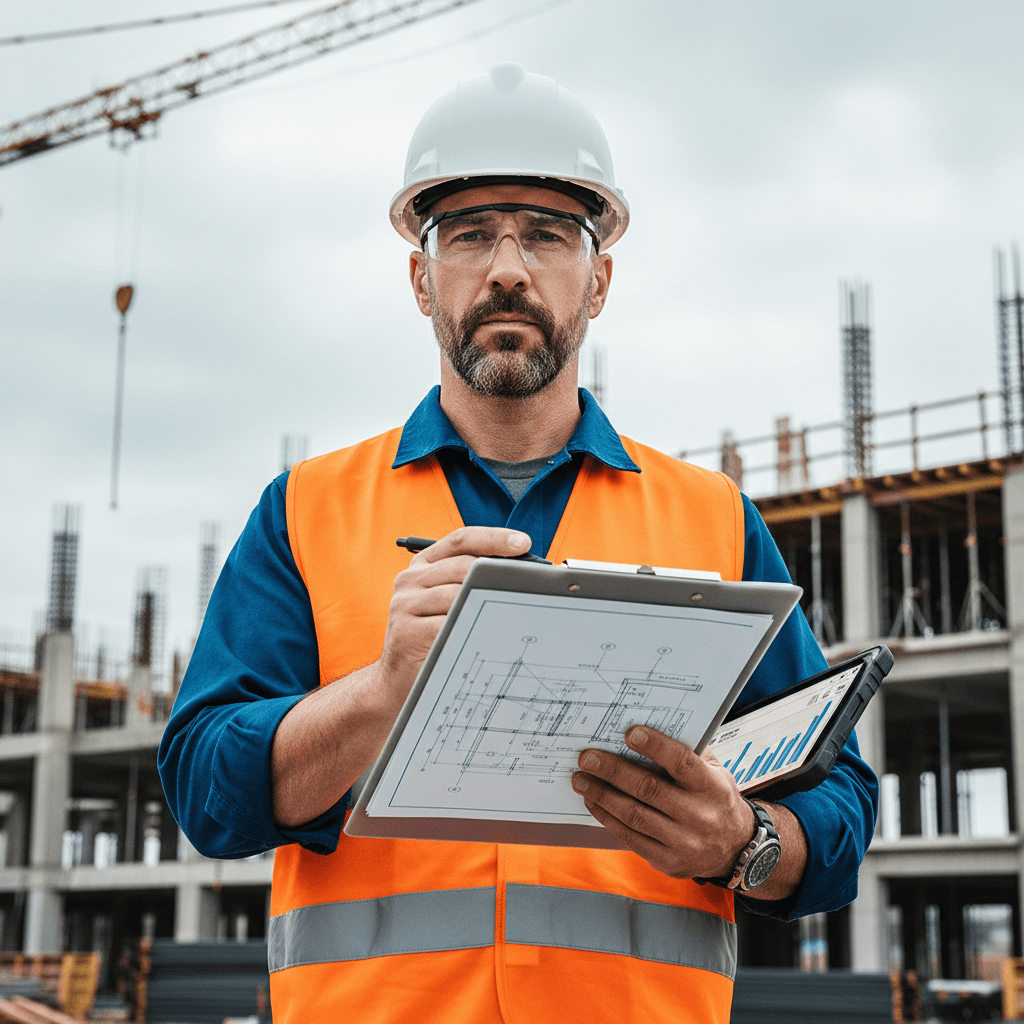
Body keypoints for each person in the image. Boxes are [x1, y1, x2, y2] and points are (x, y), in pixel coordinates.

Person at [159, 63, 877, 1024]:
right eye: (468, 237)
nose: (508, 267)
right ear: (422, 279)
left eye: (547, 235)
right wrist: (380, 694)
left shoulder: (713, 518)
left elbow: (840, 800)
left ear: (600, 281)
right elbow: (207, 788)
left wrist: (743, 842)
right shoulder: (304, 510)